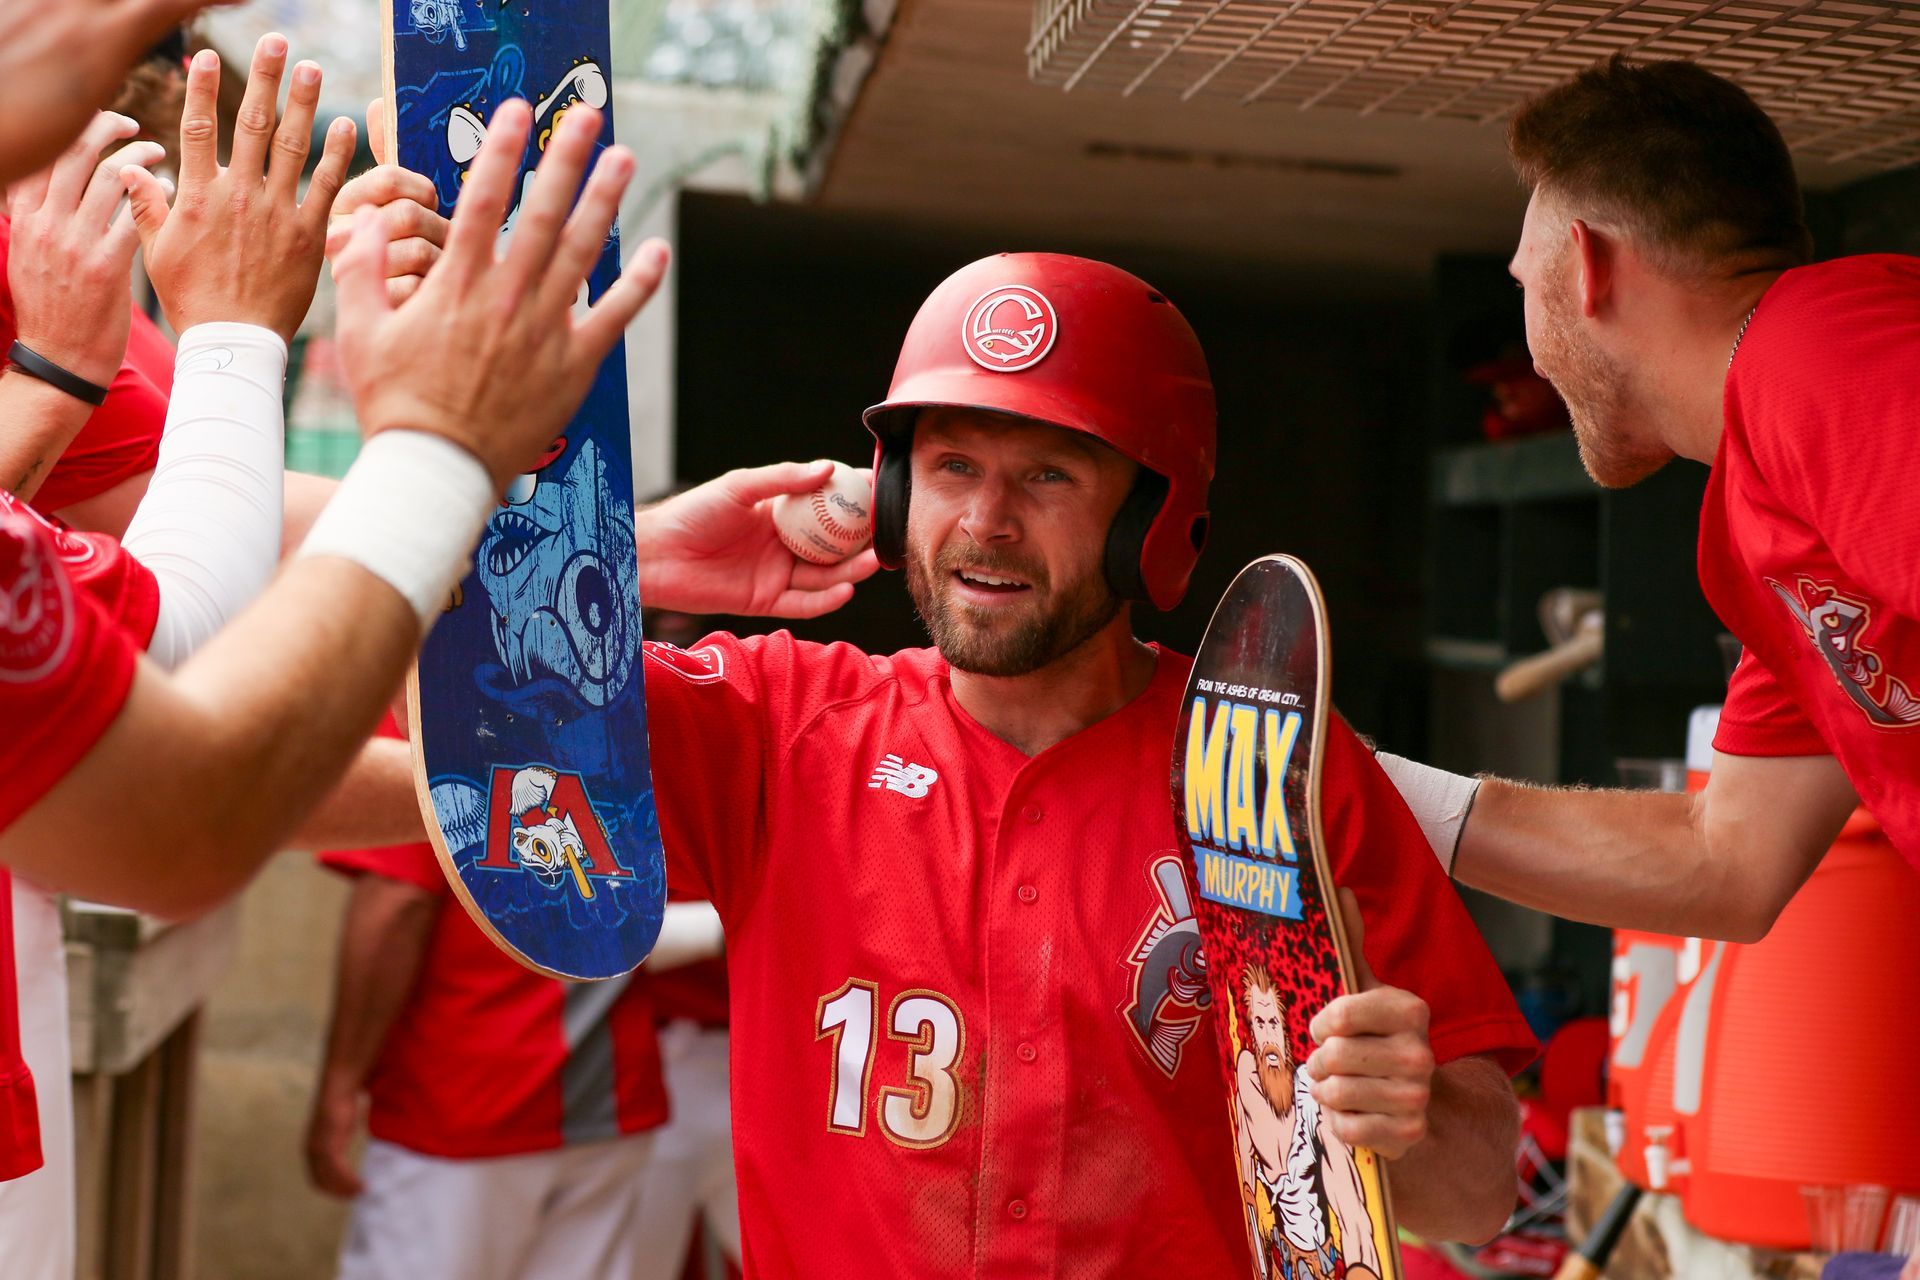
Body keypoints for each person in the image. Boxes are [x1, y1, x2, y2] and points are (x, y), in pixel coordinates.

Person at [623, 253, 1535, 1274]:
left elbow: (1480, 1192)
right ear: (891, 497)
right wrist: (635, 549)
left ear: (1150, 515)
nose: (985, 522)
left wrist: (1407, 1118)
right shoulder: (775, 729)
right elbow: (443, 719)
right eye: (953, 466)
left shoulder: (1270, 767)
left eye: (1048, 474)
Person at [1374, 58, 1915, 950]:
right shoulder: (1755, 502)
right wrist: (1371, 792)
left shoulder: (1819, 353)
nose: (1535, 354)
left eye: (1521, 286)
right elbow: (1726, 864)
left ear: (1585, 266)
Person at [305, 721, 726, 1280]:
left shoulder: (435, 701)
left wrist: (339, 1082)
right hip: (611, 1098)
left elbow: (396, 905)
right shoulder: (625, 708)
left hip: (469, 1095)